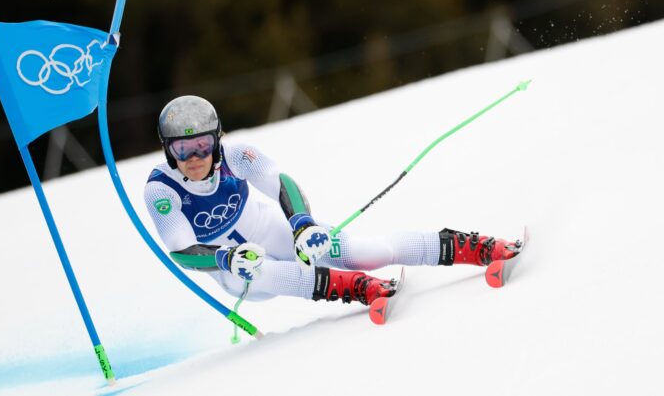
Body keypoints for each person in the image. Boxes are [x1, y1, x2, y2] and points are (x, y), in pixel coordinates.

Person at [144, 95, 520, 306]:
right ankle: (357, 288)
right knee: (263, 271)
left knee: (366, 251)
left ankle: (473, 247)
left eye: (202, 145)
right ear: (167, 150)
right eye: (181, 149)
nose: (194, 158)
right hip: (231, 266)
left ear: (217, 140)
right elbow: (181, 250)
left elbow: (281, 184)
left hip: (269, 227)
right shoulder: (161, 190)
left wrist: (302, 224)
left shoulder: (238, 156)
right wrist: (225, 257)